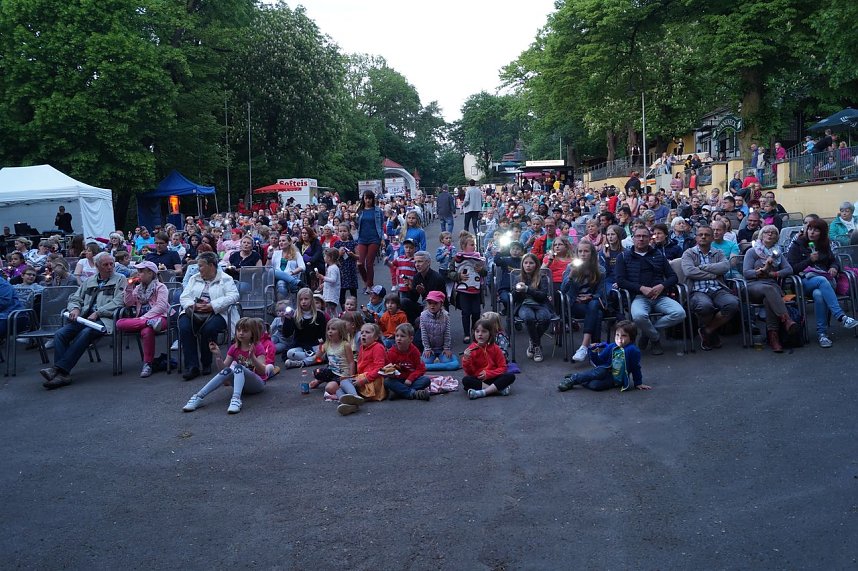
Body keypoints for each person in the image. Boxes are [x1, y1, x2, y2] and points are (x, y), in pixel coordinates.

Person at [40, 252, 126, 389]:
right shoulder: (89, 281)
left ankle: (59, 371)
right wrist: (74, 308)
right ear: (97, 266)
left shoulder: (120, 279)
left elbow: (120, 301)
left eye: (112, 264)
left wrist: (98, 312)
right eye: (106, 265)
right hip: (84, 317)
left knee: (86, 332)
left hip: (106, 319)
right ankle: (62, 374)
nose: (110, 267)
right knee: (60, 334)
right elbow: (75, 297)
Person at [786, 219, 858, 347]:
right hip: (803, 282)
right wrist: (809, 260)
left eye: (816, 230)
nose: (811, 232)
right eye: (810, 229)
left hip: (823, 282)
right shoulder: (797, 244)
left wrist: (834, 268)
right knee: (821, 281)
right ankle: (841, 316)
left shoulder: (824, 245)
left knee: (819, 295)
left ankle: (822, 334)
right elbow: (792, 269)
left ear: (822, 233)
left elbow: (834, 261)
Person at [615, 225, 686, 355]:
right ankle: (655, 338)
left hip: (660, 296)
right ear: (633, 238)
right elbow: (620, 280)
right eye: (638, 236)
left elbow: (673, 277)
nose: (641, 239)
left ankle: (648, 333)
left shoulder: (658, 255)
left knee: (680, 313)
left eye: (644, 236)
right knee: (638, 316)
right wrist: (641, 288)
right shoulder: (624, 257)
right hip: (638, 297)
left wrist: (662, 286)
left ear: (650, 238)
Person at [182, 317, 268, 414]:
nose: (241, 333)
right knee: (228, 370)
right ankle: (199, 397)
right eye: (238, 330)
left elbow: (262, 371)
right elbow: (224, 370)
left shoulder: (257, 347)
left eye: (245, 331)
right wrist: (218, 356)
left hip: (257, 384)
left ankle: (236, 399)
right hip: (240, 384)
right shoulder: (234, 348)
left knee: (238, 367)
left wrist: (252, 357)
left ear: (253, 332)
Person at [178, 251, 240, 380]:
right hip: (195, 311)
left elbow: (234, 296)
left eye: (201, 265)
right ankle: (192, 366)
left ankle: (206, 363)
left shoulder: (225, 279)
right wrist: (193, 305)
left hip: (218, 312)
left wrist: (212, 305)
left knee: (209, 329)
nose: (198, 268)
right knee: (184, 326)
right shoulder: (194, 278)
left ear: (211, 265)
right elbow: (184, 296)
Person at [680, 225, 740, 351]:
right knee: (705, 306)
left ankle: (707, 330)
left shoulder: (718, 253)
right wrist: (713, 273)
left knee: (733, 303)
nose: (703, 237)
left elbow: (725, 266)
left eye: (707, 235)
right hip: (697, 290)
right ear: (696, 237)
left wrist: (702, 267)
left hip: (717, 289)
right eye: (700, 234)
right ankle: (711, 334)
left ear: (712, 238)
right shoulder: (689, 253)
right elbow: (689, 272)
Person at [742, 225, 798, 353]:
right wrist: (760, 271)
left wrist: (775, 274)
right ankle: (787, 320)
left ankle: (774, 339)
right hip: (753, 286)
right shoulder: (752, 251)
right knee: (769, 290)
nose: (770, 234)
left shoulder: (777, 253)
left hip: (771, 286)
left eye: (773, 233)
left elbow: (789, 269)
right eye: (767, 232)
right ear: (761, 235)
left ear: (777, 237)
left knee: (769, 299)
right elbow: (746, 273)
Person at [558, 320, 650, 391]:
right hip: (604, 371)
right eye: (617, 335)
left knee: (596, 386)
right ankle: (573, 379)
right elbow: (599, 362)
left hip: (615, 379)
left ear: (632, 338)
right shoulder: (611, 346)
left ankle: (580, 377)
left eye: (624, 336)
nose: (619, 338)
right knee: (601, 371)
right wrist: (593, 352)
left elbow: (636, 367)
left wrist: (638, 383)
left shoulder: (633, 350)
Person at [114, 261, 170, 377]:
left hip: (161, 317)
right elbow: (128, 303)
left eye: (141, 272)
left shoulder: (160, 287)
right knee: (119, 323)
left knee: (146, 331)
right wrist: (129, 288)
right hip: (146, 320)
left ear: (150, 273)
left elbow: (161, 306)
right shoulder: (138, 288)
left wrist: (144, 317)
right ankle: (149, 323)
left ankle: (148, 364)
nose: (138, 274)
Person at [562, 240, 607, 362]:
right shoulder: (570, 267)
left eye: (586, 251)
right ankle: (594, 350)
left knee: (594, 306)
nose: (583, 254)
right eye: (580, 251)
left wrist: (590, 297)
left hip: (592, 302)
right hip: (575, 304)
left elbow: (601, 292)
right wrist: (570, 276)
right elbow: (563, 290)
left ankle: (584, 346)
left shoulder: (600, 269)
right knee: (597, 314)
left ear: (592, 253)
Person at [335, 323, 387, 416]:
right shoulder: (362, 348)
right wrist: (353, 377)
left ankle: (354, 397)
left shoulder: (378, 347)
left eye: (367, 332)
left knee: (344, 383)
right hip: (363, 380)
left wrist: (364, 380)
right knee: (338, 390)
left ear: (375, 337)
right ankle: (352, 405)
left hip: (373, 381)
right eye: (362, 332)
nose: (363, 334)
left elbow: (380, 369)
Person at [514, 252, 556, 363]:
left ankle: (533, 341)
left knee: (545, 317)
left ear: (536, 265)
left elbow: (542, 296)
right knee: (528, 317)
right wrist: (517, 290)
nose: (528, 265)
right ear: (522, 265)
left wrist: (528, 289)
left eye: (531, 263)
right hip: (524, 305)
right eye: (526, 263)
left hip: (540, 304)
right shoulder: (518, 278)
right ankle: (537, 346)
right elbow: (514, 298)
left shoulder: (542, 277)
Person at [462, 318, 514, 399]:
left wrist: (488, 374)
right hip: (479, 379)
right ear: (474, 333)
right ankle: (498, 390)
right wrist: (466, 359)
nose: (480, 334)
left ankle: (483, 392)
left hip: (493, 377)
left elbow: (503, 368)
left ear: (490, 333)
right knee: (466, 380)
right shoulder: (471, 349)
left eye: (484, 331)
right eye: (477, 331)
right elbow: (469, 372)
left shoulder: (495, 348)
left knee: (510, 376)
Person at [383, 323, 431, 401]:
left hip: (411, 380)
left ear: (411, 339)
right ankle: (413, 394)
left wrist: (410, 379)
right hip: (398, 379)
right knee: (387, 382)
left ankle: (399, 392)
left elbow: (421, 368)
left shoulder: (414, 351)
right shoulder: (391, 352)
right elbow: (388, 368)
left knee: (426, 380)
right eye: (397, 336)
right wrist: (389, 373)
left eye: (402, 336)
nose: (398, 338)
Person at [282, 287, 328, 368]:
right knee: (290, 353)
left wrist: (320, 347)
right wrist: (288, 320)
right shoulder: (295, 315)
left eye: (306, 299)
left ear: (311, 300)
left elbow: (323, 336)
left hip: (315, 345)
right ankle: (315, 359)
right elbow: (286, 334)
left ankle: (301, 363)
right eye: (301, 299)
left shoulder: (319, 315)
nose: (303, 302)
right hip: (301, 347)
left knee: (326, 352)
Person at [452, 232, 486, 343]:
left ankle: (474, 331)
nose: (474, 247)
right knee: (466, 312)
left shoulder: (479, 258)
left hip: (476, 290)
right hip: (463, 291)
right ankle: (466, 334)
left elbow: (485, 273)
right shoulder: (457, 258)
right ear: (463, 247)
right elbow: (449, 273)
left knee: (476, 312)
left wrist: (481, 270)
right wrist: (458, 276)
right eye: (471, 245)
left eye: (474, 245)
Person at [311, 318, 355, 392]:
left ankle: (340, 386)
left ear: (340, 332)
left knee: (329, 388)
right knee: (315, 372)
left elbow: (351, 362)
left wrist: (351, 378)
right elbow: (317, 357)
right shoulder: (327, 344)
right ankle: (321, 380)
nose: (330, 331)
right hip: (331, 371)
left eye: (333, 329)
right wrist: (321, 346)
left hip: (342, 374)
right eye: (328, 329)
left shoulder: (345, 345)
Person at [354, 191, 385, 293]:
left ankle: (369, 286)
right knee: (360, 263)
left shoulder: (377, 211)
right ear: (363, 199)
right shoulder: (360, 211)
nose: (368, 200)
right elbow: (356, 224)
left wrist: (382, 239)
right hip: (362, 238)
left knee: (369, 263)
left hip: (374, 238)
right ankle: (366, 282)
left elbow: (381, 226)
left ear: (373, 199)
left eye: (370, 198)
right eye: (366, 198)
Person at [419, 290, 458, 368]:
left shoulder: (445, 316)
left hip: (441, 348)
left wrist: (446, 348)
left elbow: (447, 333)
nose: (432, 306)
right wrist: (427, 348)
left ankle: (439, 357)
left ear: (441, 304)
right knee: (425, 362)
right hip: (430, 348)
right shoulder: (423, 316)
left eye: (436, 303)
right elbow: (424, 334)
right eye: (430, 303)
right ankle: (433, 357)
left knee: (447, 361)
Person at [269, 234, 305, 298]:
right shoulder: (276, 253)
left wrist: (291, 272)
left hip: (291, 278)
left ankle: (282, 305)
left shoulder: (296, 254)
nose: (281, 243)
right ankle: (296, 282)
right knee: (273, 271)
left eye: (283, 241)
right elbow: (269, 268)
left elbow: (302, 267)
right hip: (276, 279)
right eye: (280, 241)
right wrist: (269, 256)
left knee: (281, 283)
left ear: (289, 242)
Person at [333, 224, 358, 308]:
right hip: (341, 270)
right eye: (340, 231)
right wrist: (339, 254)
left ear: (348, 232)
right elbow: (333, 258)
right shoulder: (336, 244)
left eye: (344, 231)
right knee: (341, 291)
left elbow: (359, 256)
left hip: (351, 270)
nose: (342, 233)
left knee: (353, 291)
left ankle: (353, 309)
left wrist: (353, 255)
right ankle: (344, 311)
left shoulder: (353, 243)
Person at [315, 248, 341, 315]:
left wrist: (323, 277)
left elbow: (333, 280)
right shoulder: (330, 267)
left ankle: (329, 320)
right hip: (329, 293)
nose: (324, 257)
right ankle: (335, 319)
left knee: (329, 309)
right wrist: (323, 284)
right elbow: (330, 279)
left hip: (331, 294)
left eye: (325, 256)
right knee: (332, 309)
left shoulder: (333, 268)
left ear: (329, 258)